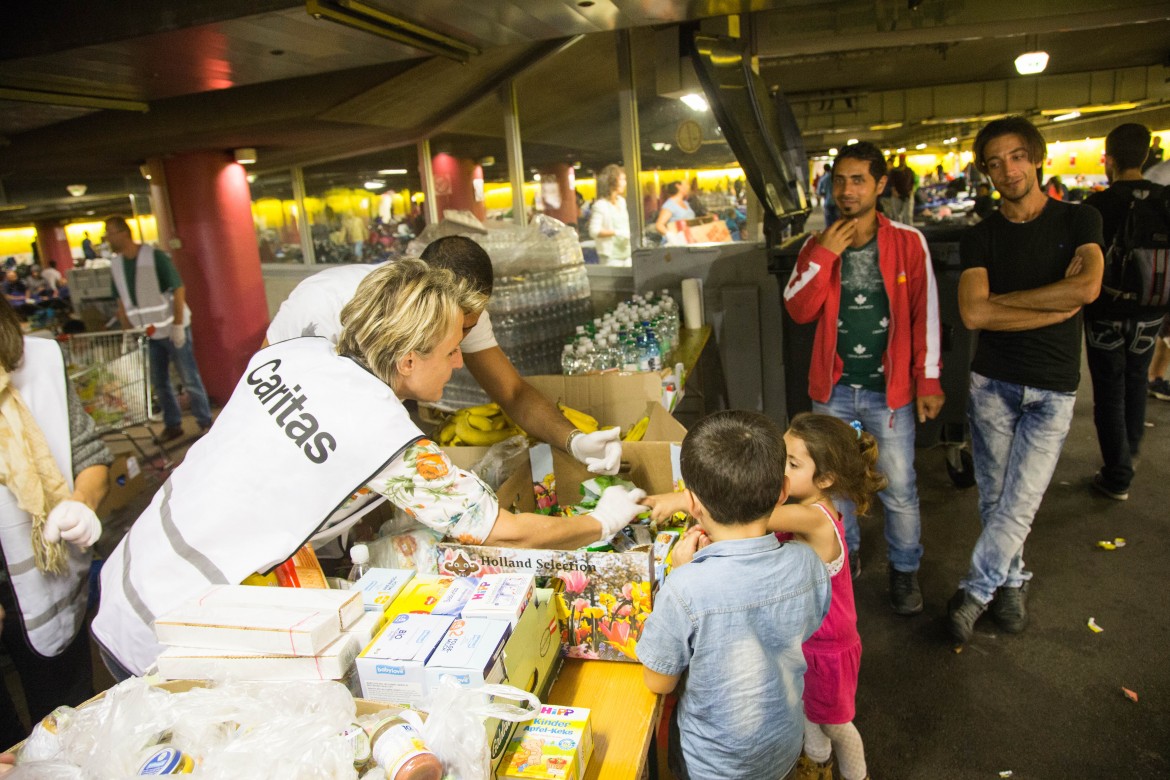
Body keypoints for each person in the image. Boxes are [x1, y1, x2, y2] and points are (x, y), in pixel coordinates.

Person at [93, 260, 647, 679]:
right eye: (453, 351)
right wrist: (600, 522)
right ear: (409, 359)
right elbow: (500, 528)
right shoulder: (383, 432)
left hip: (131, 570)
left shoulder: (294, 353)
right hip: (176, 629)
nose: (460, 364)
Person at [266, 236, 622, 475]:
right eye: (451, 344)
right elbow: (264, 394)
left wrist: (574, 440)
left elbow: (512, 392)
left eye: (465, 333)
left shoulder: (464, 313)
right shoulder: (321, 305)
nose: (458, 357)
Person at [950, 116, 1103, 643]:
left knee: (1021, 501)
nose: (1007, 170)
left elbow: (1085, 288)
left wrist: (1004, 305)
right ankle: (1010, 582)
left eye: (1016, 156)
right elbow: (973, 314)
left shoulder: (1080, 220)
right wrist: (1050, 305)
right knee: (995, 499)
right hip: (993, 383)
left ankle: (976, 591)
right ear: (986, 173)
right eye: (994, 162)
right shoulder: (981, 236)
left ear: (1035, 157)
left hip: (1054, 386)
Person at [784, 141, 944, 615]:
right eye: (840, 180)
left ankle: (904, 569)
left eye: (858, 180)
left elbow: (925, 313)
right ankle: (844, 557)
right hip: (833, 390)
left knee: (898, 487)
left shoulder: (907, 242)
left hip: (887, 391)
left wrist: (928, 378)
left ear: (879, 185)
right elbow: (798, 308)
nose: (847, 190)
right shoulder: (817, 245)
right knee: (833, 485)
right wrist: (825, 255)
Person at [637, 410, 831, 780]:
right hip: (784, 747)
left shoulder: (686, 588)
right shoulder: (808, 564)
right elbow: (808, 623)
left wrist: (682, 574)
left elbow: (658, 681)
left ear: (692, 504)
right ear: (783, 493)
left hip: (714, 766)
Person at [0, 298, 113, 748]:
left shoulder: (39, 363)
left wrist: (82, 502)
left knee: (68, 722)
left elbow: (91, 455)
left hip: (45, 579)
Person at [770, 414, 883, 780]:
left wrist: (684, 498)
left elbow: (754, 516)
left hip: (828, 648)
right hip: (807, 641)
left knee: (836, 724)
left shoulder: (814, 518)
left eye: (792, 463)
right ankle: (817, 766)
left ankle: (858, 776)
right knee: (809, 711)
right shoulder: (802, 506)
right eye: (781, 457)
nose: (780, 469)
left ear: (826, 479)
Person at [1082, 123, 1167, 501]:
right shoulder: (1166, 200)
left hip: (1105, 313)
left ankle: (1117, 474)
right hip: (1152, 311)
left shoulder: (1097, 205)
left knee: (1109, 391)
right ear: (1146, 156)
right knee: (1136, 380)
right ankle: (1129, 450)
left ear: (1109, 160)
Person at [105, 216, 213, 441]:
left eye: (110, 233)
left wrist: (177, 324)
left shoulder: (153, 257)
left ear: (124, 232)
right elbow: (121, 302)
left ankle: (205, 422)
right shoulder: (116, 266)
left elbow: (178, 289)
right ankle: (173, 424)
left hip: (172, 329)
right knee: (159, 381)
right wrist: (129, 331)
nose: (107, 238)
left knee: (189, 377)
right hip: (147, 333)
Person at [588, 164, 632, 265]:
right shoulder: (601, 205)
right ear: (612, 182)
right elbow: (594, 231)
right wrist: (616, 232)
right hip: (611, 258)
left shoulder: (622, 201)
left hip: (627, 254)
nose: (625, 183)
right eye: (622, 179)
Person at [886, 158, 915, 224]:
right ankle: (898, 231)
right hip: (897, 195)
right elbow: (891, 182)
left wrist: (911, 191)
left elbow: (912, 182)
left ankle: (908, 230)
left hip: (907, 195)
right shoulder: (895, 171)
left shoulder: (909, 171)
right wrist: (894, 191)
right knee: (897, 215)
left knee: (907, 215)